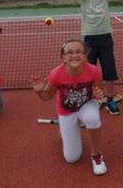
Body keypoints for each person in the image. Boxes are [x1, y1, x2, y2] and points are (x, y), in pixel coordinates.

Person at [30, 39, 107, 176]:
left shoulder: (94, 71)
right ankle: (66, 132)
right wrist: (40, 91)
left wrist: (98, 94)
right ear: (63, 58)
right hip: (66, 111)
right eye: (69, 52)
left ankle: (96, 155)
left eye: (78, 51)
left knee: (92, 117)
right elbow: (47, 96)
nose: (74, 55)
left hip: (86, 105)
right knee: (72, 158)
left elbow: (99, 91)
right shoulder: (56, 74)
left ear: (85, 56)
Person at [79, 0, 120, 115]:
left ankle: (110, 100)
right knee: (88, 73)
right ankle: (89, 100)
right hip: (89, 39)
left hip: (105, 37)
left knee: (109, 72)